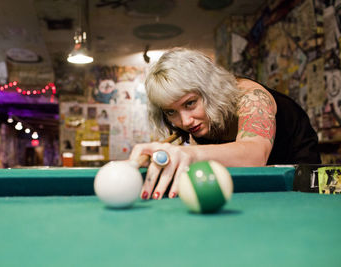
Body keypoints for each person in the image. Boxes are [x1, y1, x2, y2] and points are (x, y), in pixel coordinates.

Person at [129, 48, 321, 200]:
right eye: (171, 111)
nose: (185, 121)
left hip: (301, 176)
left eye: (190, 103)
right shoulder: (196, 122)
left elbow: (255, 156)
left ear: (209, 91)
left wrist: (187, 154)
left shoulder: (252, 97)